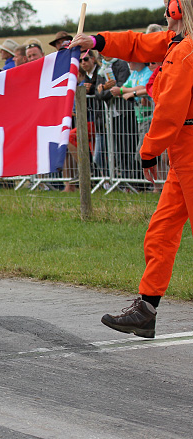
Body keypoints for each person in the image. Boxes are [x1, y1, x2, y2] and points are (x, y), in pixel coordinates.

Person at [70, 0, 193, 338]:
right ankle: (146, 310)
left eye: (168, 5)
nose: (165, 12)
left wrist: (149, 150)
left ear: (179, 9)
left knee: (162, 232)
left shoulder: (185, 51)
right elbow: (136, 43)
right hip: (183, 156)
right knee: (161, 232)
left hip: (188, 149)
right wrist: (95, 40)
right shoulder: (175, 43)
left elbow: (170, 108)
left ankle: (145, 311)